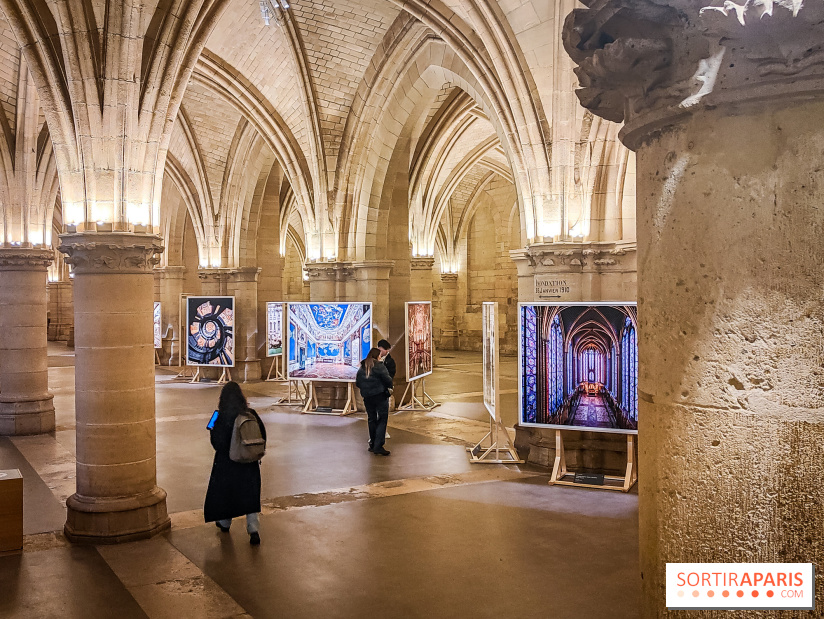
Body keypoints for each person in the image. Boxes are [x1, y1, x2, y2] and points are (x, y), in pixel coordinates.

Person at [204, 381, 266, 545]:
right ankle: (253, 530)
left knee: (227, 494)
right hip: (249, 464)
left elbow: (214, 441)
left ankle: (224, 523)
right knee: (250, 496)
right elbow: (262, 437)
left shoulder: (218, 415)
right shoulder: (251, 414)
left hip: (227, 463)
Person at [356, 348, 393, 456]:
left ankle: (372, 444)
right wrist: (388, 388)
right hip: (380, 395)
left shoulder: (363, 367)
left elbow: (358, 382)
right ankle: (378, 445)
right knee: (382, 419)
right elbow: (388, 379)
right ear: (377, 356)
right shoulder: (379, 366)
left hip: (367, 397)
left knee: (371, 419)